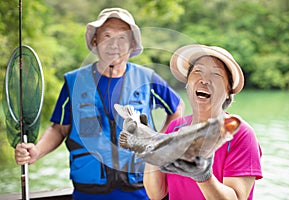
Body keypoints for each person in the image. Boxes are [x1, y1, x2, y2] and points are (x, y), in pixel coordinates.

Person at [14, 7, 182, 200]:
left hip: (142, 190)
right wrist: (36, 151)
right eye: (107, 36)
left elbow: (176, 108)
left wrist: (160, 142)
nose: (114, 45)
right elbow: (58, 129)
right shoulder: (74, 82)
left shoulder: (148, 78)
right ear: (95, 41)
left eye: (122, 38)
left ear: (131, 45)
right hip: (89, 193)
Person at [142, 44, 263, 200]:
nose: (204, 80)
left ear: (227, 92)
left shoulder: (240, 133)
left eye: (216, 75)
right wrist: (151, 151)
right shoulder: (175, 127)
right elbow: (156, 194)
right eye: (198, 71)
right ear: (187, 84)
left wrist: (203, 176)